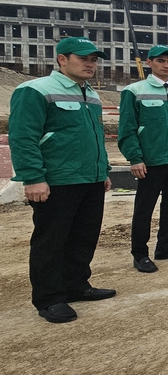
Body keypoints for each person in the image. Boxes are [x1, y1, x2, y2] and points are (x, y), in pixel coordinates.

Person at [9, 37, 115, 323]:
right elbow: (24, 137)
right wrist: (32, 178)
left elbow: (96, 137)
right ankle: (49, 298)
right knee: (51, 240)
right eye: (83, 58)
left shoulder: (91, 95)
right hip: (56, 180)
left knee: (84, 236)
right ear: (62, 59)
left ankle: (77, 285)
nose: (90, 64)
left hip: (90, 178)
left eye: (93, 59)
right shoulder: (34, 90)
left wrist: (102, 171)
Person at [118, 45, 168, 272]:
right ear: (149, 62)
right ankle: (140, 254)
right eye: (161, 61)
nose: (166, 66)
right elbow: (128, 128)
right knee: (145, 208)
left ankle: (165, 247)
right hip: (151, 161)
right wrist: (135, 157)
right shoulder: (134, 91)